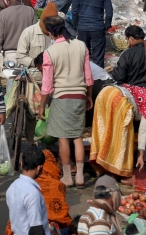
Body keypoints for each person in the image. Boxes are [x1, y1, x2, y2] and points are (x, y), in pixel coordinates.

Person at [40, 15, 92, 187]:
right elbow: (88, 77)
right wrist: (89, 96)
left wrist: (41, 107)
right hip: (79, 95)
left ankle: (68, 176)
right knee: (77, 137)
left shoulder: (50, 52)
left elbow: (47, 86)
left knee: (63, 138)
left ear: (50, 33)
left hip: (61, 97)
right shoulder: (81, 45)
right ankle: (80, 177)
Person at [72, 0, 114, 65]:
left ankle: (84, 77)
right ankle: (97, 78)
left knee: (83, 55)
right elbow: (109, 13)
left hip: (82, 27)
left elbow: (74, 10)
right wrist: (106, 26)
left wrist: (76, 25)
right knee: (98, 56)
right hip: (97, 27)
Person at [6, 146, 51, 235]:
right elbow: (36, 228)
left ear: (22, 164)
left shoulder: (12, 187)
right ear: (39, 168)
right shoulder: (33, 193)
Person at [0, 0, 37, 70]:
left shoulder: (3, 14)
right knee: (28, 81)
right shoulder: (30, 11)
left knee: (11, 81)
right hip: (28, 54)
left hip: (10, 55)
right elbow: (35, 33)